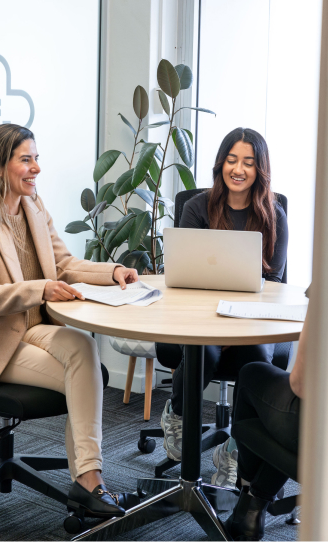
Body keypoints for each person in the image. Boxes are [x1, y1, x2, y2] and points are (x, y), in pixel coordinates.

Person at [0, 123, 139, 520]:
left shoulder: (34, 207)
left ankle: (88, 479)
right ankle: (89, 484)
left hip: (30, 331)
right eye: (26, 159)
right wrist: (41, 290)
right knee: (85, 370)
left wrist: (114, 271)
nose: (36, 168)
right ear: (0, 166)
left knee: (83, 349)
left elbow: (65, 264)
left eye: (37, 158)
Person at [160, 127, 288, 488]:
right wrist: (218, 325)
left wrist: (238, 324)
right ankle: (179, 413)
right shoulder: (198, 207)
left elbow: (274, 285)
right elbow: (184, 274)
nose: (239, 169)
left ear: (259, 170)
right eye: (232, 160)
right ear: (221, 164)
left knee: (258, 362)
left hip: (251, 319)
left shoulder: (274, 215)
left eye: (248, 162)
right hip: (201, 313)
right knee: (208, 353)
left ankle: (234, 448)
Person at [225, 285, 309, 541]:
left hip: (315, 430)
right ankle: (252, 507)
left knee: (252, 375)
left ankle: (248, 500)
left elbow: (302, 384)